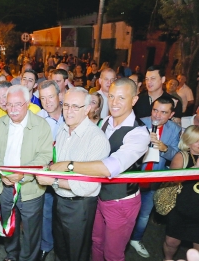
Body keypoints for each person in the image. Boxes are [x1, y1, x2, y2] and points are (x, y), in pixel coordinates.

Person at [50, 77, 151, 261]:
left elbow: (109, 167)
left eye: (121, 98)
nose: (114, 102)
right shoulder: (104, 122)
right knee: (95, 243)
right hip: (97, 196)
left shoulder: (139, 133)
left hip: (121, 200)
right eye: (111, 96)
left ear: (134, 100)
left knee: (113, 253)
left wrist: (68, 165)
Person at [36, 87, 110, 261]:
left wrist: (53, 180)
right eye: (66, 105)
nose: (69, 111)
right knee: (61, 249)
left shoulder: (97, 139)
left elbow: (88, 186)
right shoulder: (63, 129)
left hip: (80, 206)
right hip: (59, 200)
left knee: (76, 253)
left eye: (75, 107)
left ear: (87, 109)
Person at [0, 85, 53, 261]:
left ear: (28, 103)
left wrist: (23, 174)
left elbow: (45, 155)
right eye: (9, 104)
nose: (13, 109)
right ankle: (11, 255)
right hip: (5, 185)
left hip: (30, 189)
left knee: (31, 231)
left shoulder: (41, 125)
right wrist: (2, 170)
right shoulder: (1, 123)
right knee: (8, 224)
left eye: (18, 104)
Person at [130, 97, 181, 258]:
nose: (157, 116)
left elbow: (176, 156)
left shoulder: (175, 129)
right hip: (133, 177)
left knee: (144, 214)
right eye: (155, 110)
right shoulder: (138, 122)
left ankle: (136, 239)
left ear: (171, 114)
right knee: (127, 213)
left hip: (154, 180)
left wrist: (165, 148)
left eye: (164, 112)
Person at [36, 80, 65, 261]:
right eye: (43, 98)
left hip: (68, 173)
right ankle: (46, 245)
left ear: (59, 96)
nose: (47, 102)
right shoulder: (38, 118)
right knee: (46, 211)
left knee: (65, 215)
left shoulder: (71, 114)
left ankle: (63, 248)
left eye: (51, 97)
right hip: (46, 173)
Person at [162, 125, 199, 260]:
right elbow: (173, 180)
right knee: (172, 242)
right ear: (188, 141)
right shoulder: (181, 156)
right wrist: (195, 168)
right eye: (196, 140)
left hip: (197, 212)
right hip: (180, 209)